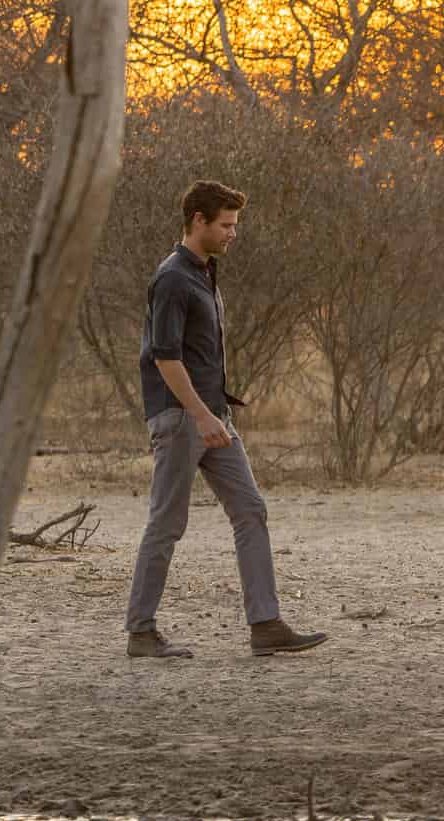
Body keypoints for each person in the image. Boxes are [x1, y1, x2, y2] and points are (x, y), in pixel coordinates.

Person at [124, 181, 325, 659]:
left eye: (235, 225)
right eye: (226, 225)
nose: (233, 233)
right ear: (199, 221)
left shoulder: (204, 273)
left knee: (250, 509)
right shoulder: (173, 277)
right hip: (180, 417)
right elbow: (165, 358)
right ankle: (141, 632)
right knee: (167, 523)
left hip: (212, 417)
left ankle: (266, 625)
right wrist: (198, 414)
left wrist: (216, 414)